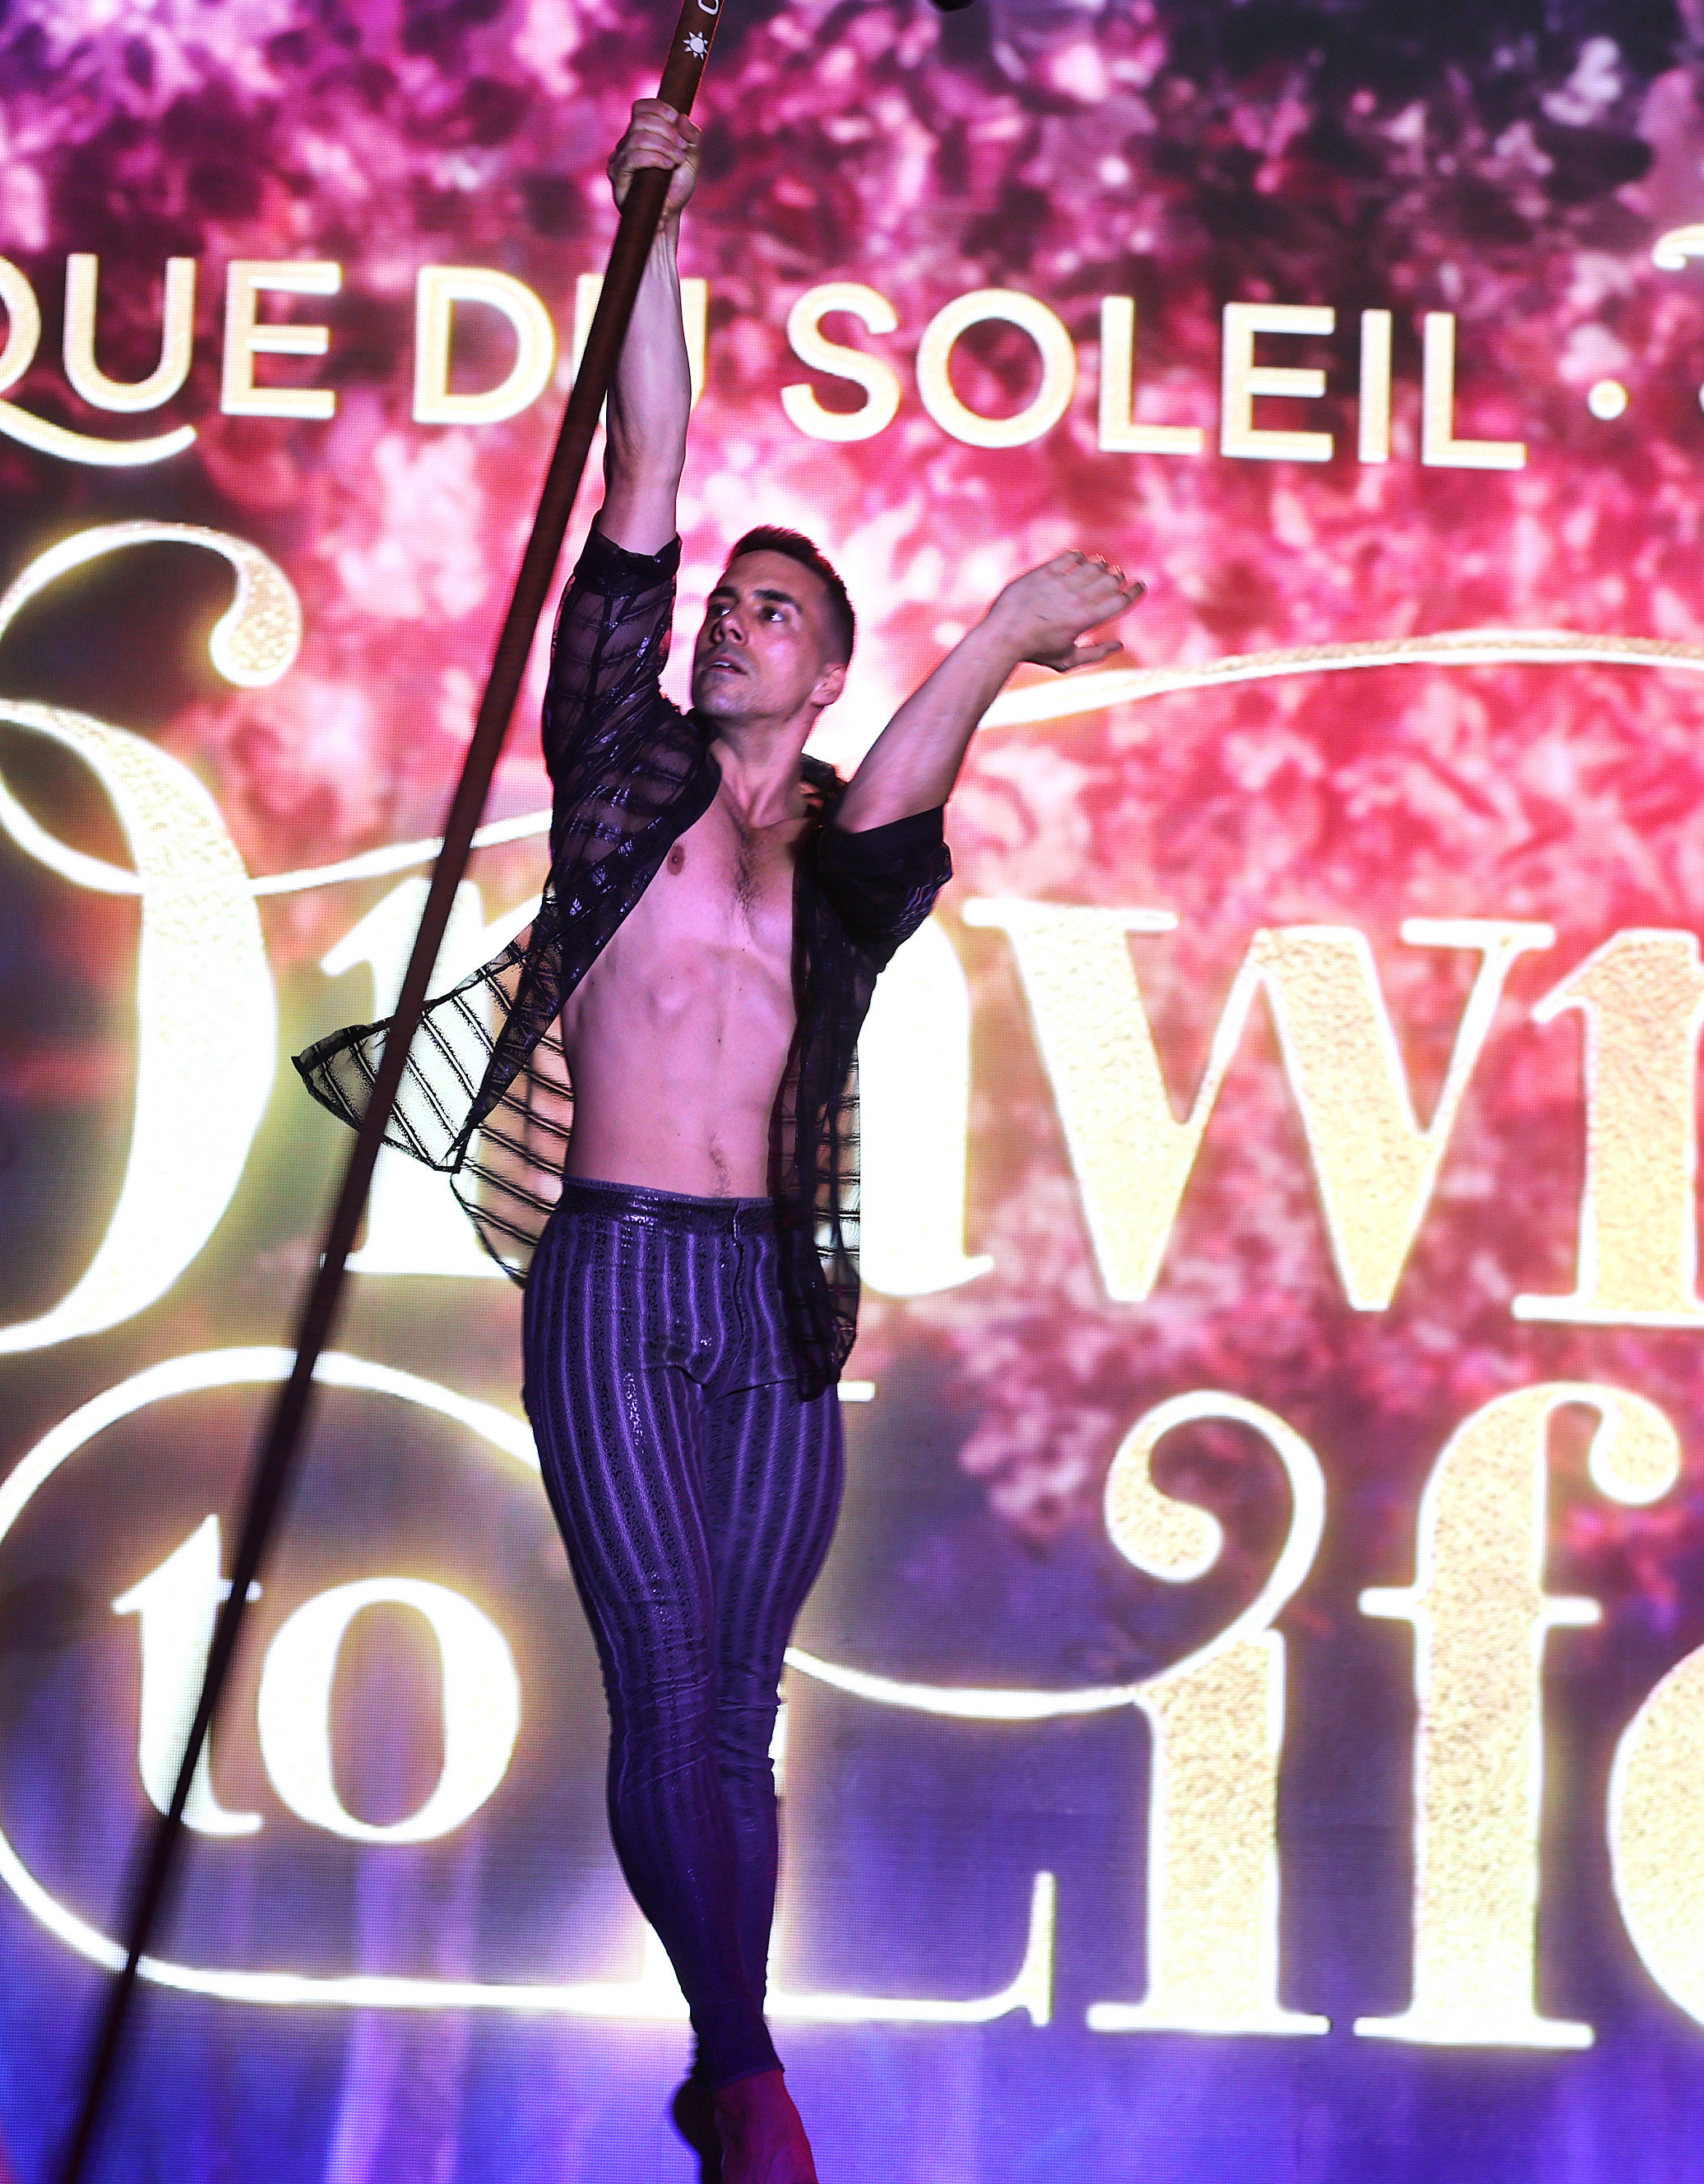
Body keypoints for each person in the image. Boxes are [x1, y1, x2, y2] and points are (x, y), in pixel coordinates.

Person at [298, 98, 1143, 2184]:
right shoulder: (619, 772)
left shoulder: (841, 867)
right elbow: (646, 467)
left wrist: (1005, 624)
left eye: (774, 612)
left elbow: (924, 763)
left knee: (736, 1709)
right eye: (725, 605)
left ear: (824, 667)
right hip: (609, 1266)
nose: (730, 620)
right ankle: (747, 2070)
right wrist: (655, 215)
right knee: (668, 1674)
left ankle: (723, 2064)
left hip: (764, 1306)